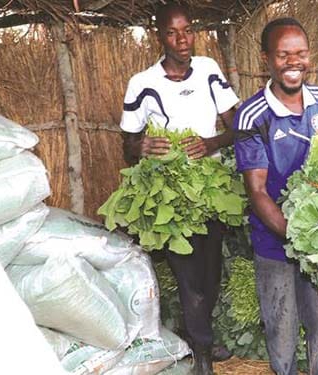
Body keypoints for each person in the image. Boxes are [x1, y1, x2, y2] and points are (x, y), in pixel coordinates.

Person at [119, 3, 239, 374]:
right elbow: (127, 145)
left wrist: (212, 144)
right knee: (188, 277)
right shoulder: (142, 84)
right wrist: (140, 148)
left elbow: (235, 126)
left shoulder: (208, 71)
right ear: (160, 36)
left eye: (187, 30)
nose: (182, 39)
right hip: (168, 193)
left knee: (210, 274)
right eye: (173, 32)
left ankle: (199, 335)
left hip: (209, 190)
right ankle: (201, 352)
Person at [233, 17, 318, 375]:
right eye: (283, 55)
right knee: (282, 327)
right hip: (274, 241)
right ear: (266, 59)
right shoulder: (251, 114)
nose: (293, 63)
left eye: (300, 54)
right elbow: (256, 191)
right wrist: (298, 237)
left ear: (309, 56)